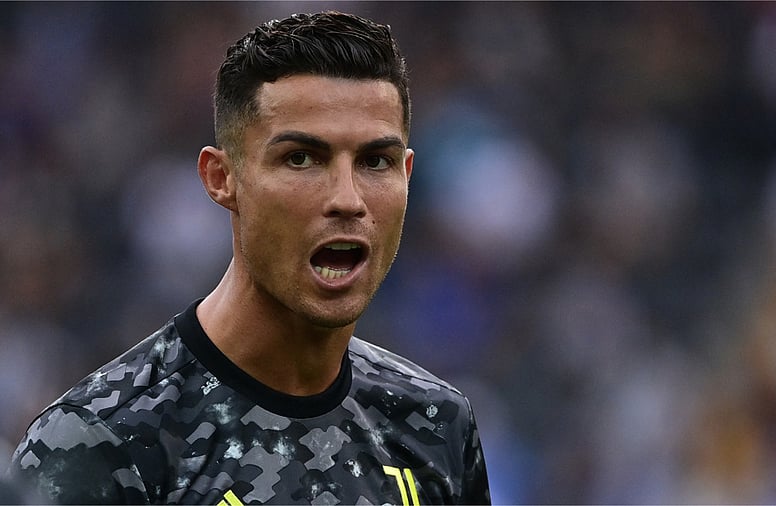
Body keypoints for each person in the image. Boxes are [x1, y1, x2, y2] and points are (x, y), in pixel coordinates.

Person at [6, 11, 490, 505]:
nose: (348, 198)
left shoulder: (436, 427)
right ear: (221, 178)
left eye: (375, 161)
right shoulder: (101, 445)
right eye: (301, 158)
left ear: (408, 176)